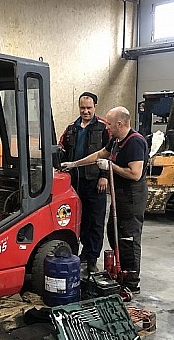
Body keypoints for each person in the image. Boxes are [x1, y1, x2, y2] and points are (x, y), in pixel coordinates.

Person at [61, 106, 149, 294]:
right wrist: (74, 164)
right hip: (119, 195)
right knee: (114, 233)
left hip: (132, 197)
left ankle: (132, 283)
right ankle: (120, 273)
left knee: (128, 238)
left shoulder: (135, 142)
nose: (107, 127)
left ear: (120, 124)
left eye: (110, 124)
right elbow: (100, 154)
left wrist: (111, 166)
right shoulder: (116, 141)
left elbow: (135, 174)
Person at [59, 92, 110, 273]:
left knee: (95, 222)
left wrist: (104, 175)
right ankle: (81, 255)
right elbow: (62, 149)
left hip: (95, 182)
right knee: (79, 221)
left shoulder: (104, 128)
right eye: (82, 108)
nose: (85, 111)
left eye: (89, 108)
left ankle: (92, 259)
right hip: (75, 183)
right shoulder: (71, 128)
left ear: (95, 106)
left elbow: (110, 152)